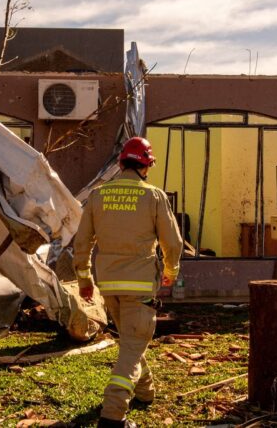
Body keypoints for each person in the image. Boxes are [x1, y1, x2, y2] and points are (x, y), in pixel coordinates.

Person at [73, 136, 183, 428]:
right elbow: (172, 243)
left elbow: (81, 243)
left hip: (109, 285)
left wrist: (84, 279)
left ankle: (146, 393)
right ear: (145, 166)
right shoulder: (154, 196)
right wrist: (171, 272)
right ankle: (113, 414)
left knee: (131, 343)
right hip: (140, 286)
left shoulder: (97, 195)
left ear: (121, 163)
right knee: (133, 346)